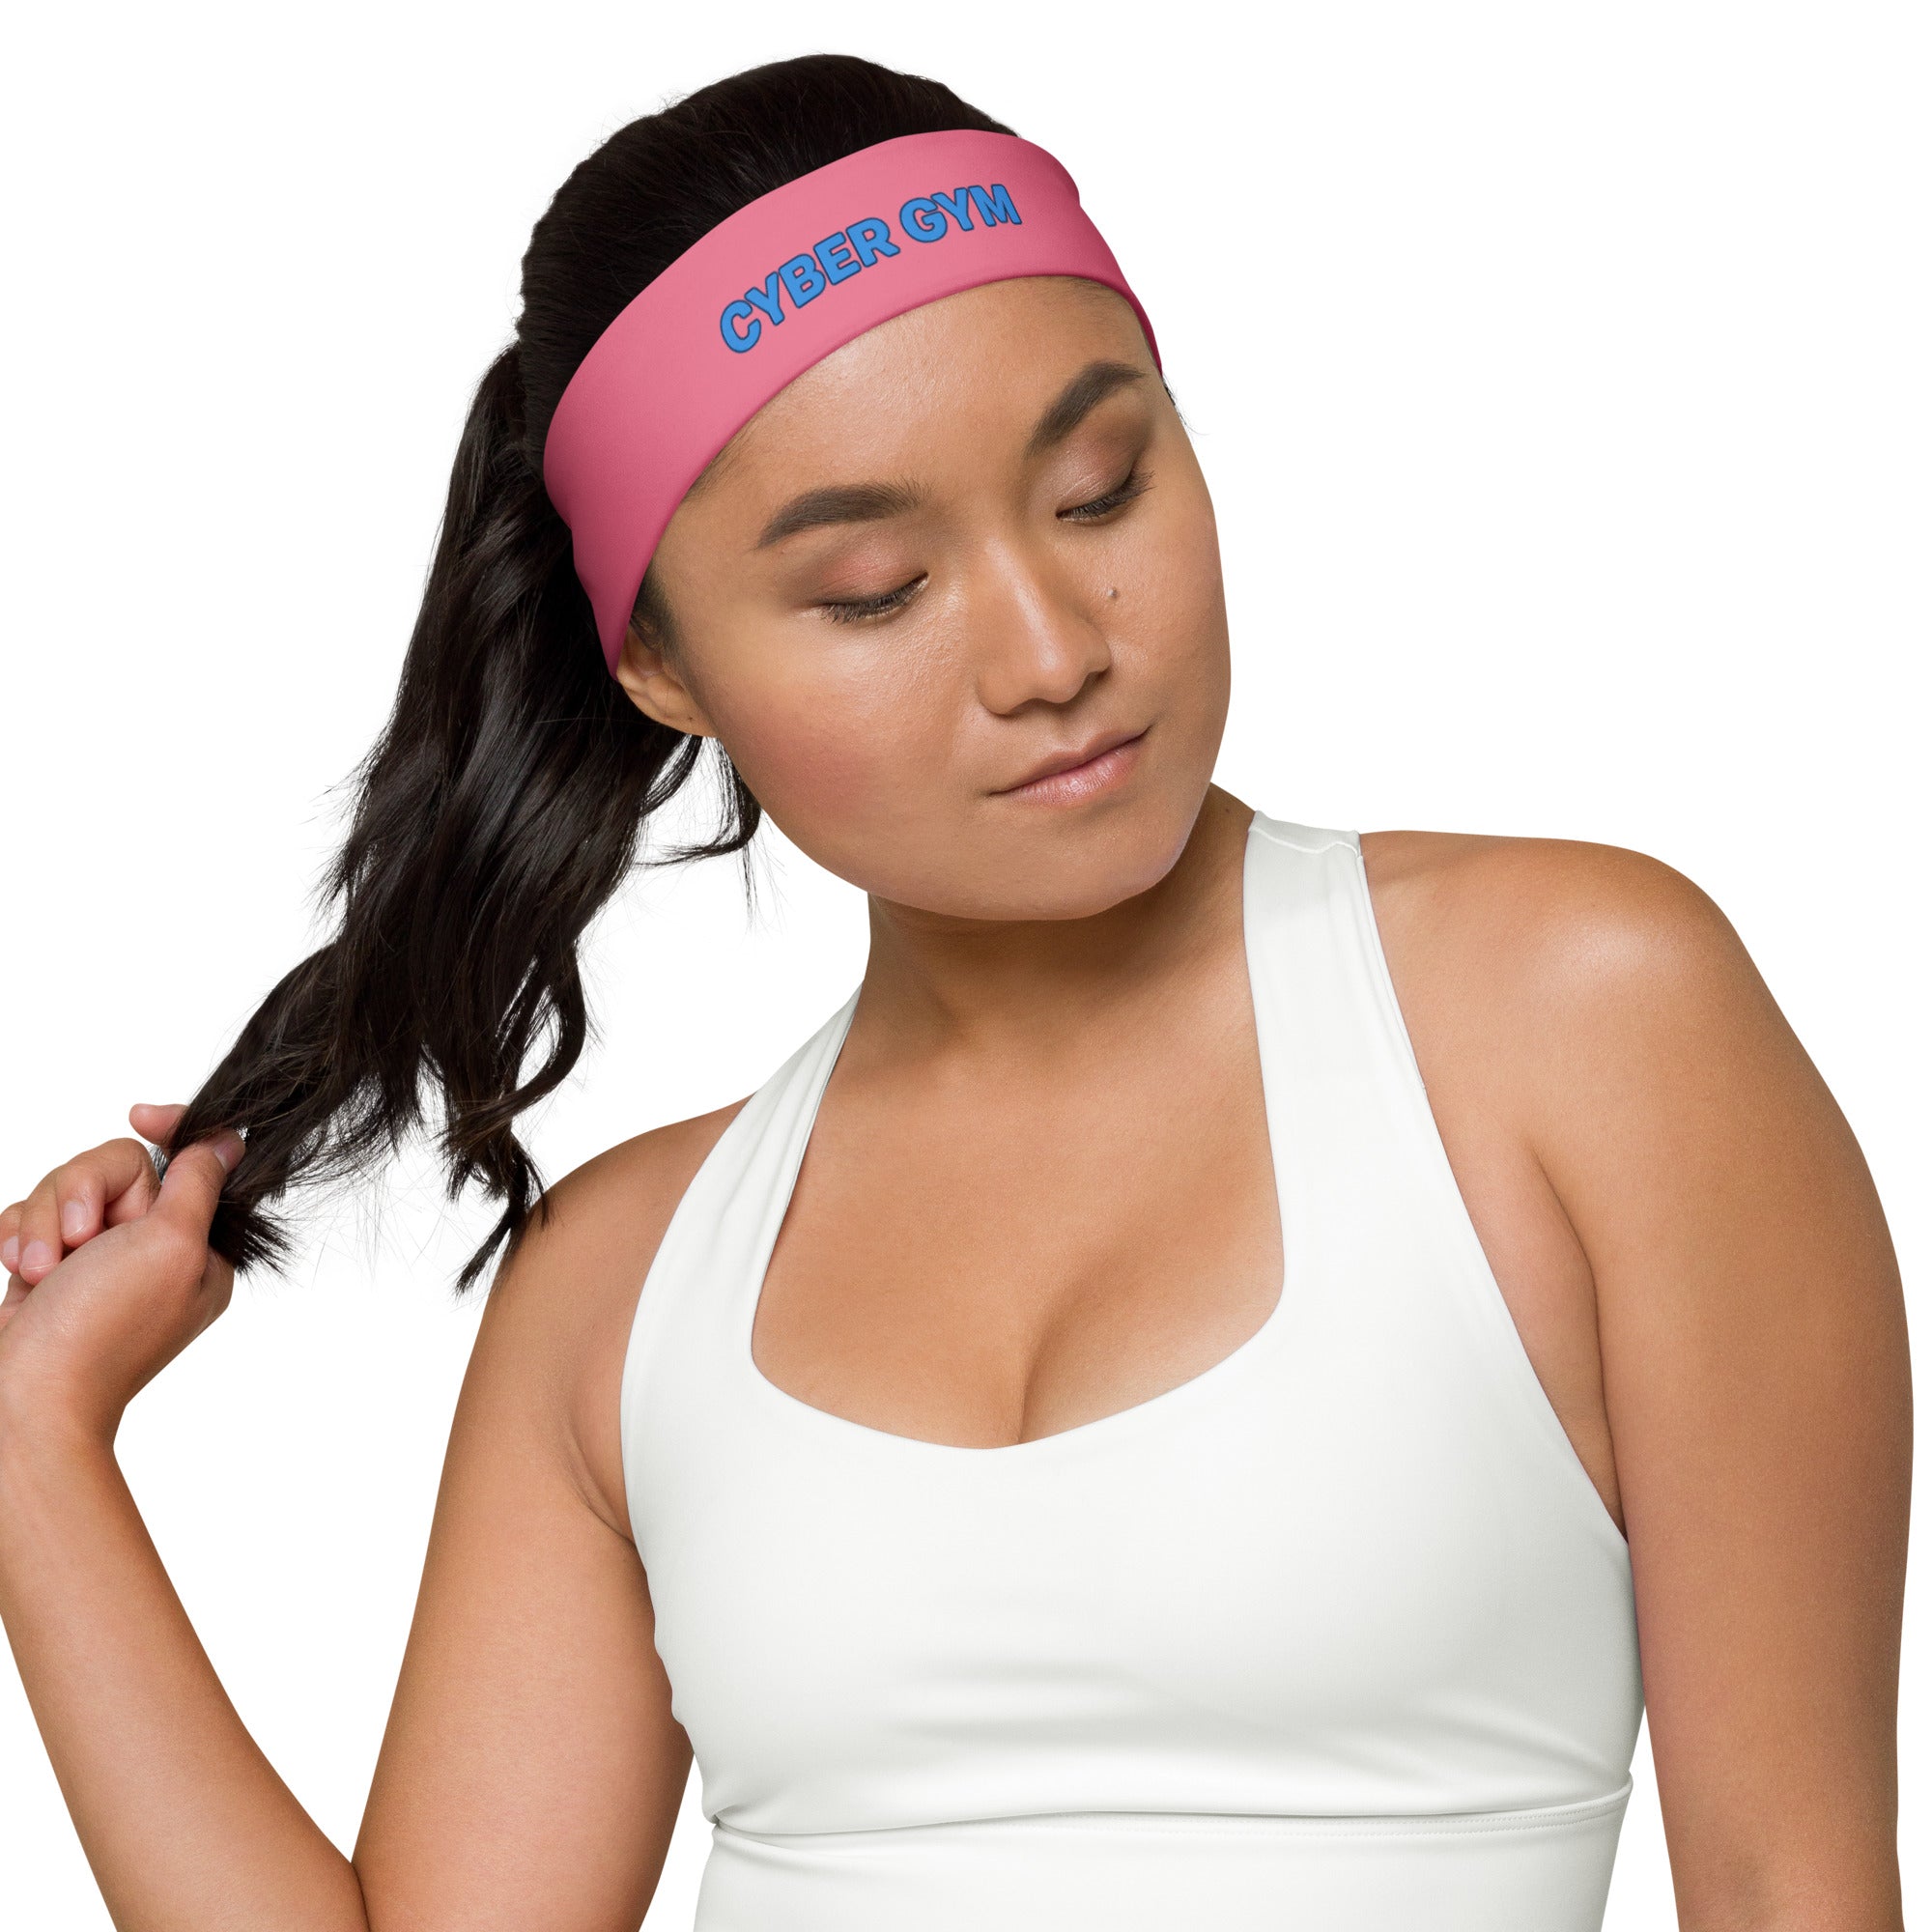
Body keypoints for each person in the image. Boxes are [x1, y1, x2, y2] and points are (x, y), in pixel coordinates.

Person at [0, 51, 1909, 1932]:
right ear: (660, 664)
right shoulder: (624, 1282)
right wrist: (34, 1457)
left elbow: (1787, 1886)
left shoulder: (1577, 1020)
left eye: (1099, 489)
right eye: (872, 589)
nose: (1053, 651)